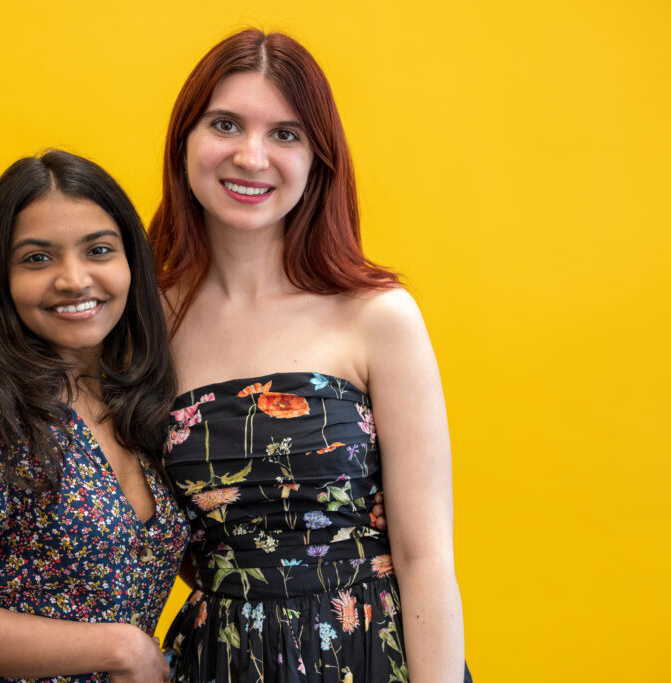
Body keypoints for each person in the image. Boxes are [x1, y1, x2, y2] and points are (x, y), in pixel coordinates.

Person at [150, 30, 470, 681]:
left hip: (367, 655)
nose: (250, 155)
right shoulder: (143, 326)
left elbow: (425, 553)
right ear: (186, 138)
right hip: (220, 661)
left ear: (318, 158)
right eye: (226, 124)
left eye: (285, 134)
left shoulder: (378, 314)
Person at [0, 150, 189, 683]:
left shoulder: (144, 405)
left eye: (98, 250)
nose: (73, 280)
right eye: (37, 258)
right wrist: (120, 647)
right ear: (0, 278)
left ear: (131, 263)